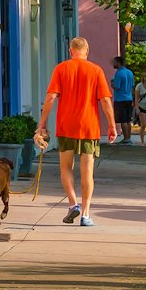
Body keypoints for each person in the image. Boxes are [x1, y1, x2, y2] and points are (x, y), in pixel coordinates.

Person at [35, 37, 116, 227]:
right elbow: (105, 101)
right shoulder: (96, 70)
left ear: (71, 51)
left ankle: (73, 204)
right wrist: (112, 125)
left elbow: (51, 97)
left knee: (66, 168)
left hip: (66, 126)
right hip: (89, 128)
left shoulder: (61, 69)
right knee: (87, 172)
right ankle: (86, 215)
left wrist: (42, 123)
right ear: (87, 51)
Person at [111, 55, 137, 144]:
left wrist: (112, 84)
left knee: (122, 120)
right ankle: (128, 137)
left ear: (118, 63)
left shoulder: (118, 73)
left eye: (114, 62)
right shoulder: (129, 72)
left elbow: (117, 87)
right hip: (128, 98)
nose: (113, 64)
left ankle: (126, 139)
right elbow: (133, 85)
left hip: (120, 99)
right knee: (128, 120)